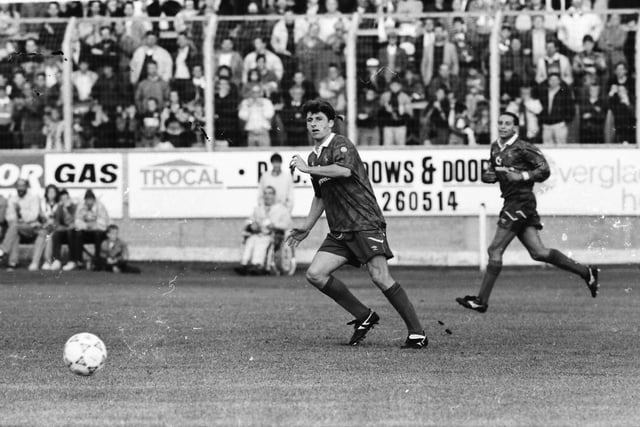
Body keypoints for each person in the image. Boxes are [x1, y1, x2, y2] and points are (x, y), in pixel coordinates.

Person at [286, 100, 427, 349]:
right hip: (340, 228)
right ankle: (364, 315)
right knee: (315, 274)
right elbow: (320, 196)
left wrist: (307, 168)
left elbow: (343, 172)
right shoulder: (313, 156)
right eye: (309, 120)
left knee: (380, 277)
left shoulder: (340, 143)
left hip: (364, 222)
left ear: (331, 122)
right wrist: (306, 227)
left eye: (318, 118)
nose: (313, 124)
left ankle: (418, 333)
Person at [456, 112, 599, 314]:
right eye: (501, 123)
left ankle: (481, 300)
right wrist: (490, 176)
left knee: (494, 250)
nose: (503, 126)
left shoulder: (524, 148)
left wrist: (522, 175)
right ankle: (586, 272)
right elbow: (495, 170)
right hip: (513, 202)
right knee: (538, 252)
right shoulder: (495, 147)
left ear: (516, 127)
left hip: (520, 202)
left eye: (508, 123)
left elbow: (544, 170)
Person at [235, 186, 292, 276]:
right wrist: (252, 225)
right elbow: (249, 220)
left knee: (261, 241)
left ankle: (257, 265)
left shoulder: (281, 209)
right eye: (265, 193)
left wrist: (274, 225)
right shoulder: (258, 209)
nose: (267, 196)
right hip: (258, 233)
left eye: (270, 193)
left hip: (273, 234)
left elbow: (287, 225)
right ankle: (244, 264)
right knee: (251, 240)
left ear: (274, 195)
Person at [0, 179, 45, 270]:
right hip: (19, 227)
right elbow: (10, 217)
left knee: (14, 227)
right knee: (14, 231)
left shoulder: (33, 198)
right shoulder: (13, 199)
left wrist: (20, 212)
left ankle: (2, 250)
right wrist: (20, 220)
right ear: (16, 187)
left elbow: (33, 216)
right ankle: (13, 263)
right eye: (18, 186)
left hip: (33, 228)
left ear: (27, 187)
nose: (20, 188)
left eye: (22, 186)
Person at [63, 189, 109, 271]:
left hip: (98, 232)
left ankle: (97, 261)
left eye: (91, 200)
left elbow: (104, 223)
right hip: (86, 231)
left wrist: (93, 224)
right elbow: (77, 221)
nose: (89, 202)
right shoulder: (81, 207)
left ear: (94, 200)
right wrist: (87, 225)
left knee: (98, 234)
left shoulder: (100, 206)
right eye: (87, 200)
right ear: (85, 200)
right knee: (77, 233)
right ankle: (79, 261)